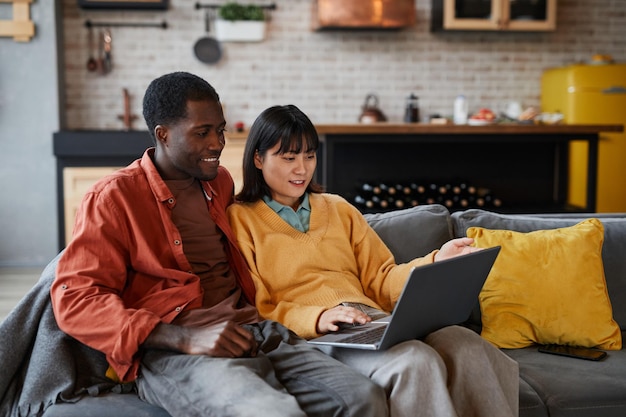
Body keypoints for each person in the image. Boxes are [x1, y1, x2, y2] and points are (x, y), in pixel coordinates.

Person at [50, 73, 389, 417]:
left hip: (255, 331)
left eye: (220, 130)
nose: (218, 143)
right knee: (274, 412)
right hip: (179, 350)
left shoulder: (219, 184)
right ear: (163, 135)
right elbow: (75, 299)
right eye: (202, 133)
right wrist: (184, 339)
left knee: (364, 397)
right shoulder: (114, 198)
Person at [227, 104, 520, 417]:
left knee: (467, 345)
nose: (302, 168)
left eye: (309, 156)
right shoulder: (241, 219)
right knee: (415, 359)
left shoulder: (338, 208)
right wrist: (318, 317)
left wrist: (436, 261)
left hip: (370, 319)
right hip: (316, 334)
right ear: (258, 158)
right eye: (289, 157)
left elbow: (381, 278)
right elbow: (257, 306)